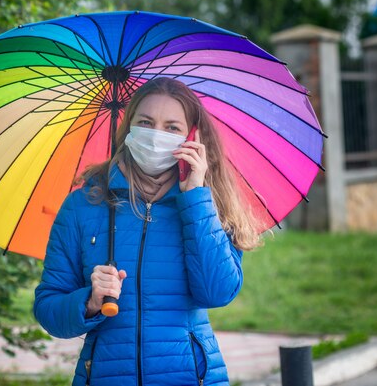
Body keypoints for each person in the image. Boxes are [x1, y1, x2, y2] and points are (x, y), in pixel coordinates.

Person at [34, 77, 261, 386]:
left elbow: (218, 292)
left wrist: (194, 197)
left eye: (172, 127)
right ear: (129, 128)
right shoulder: (83, 204)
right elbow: (48, 309)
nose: (156, 135)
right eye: (145, 122)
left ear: (192, 136)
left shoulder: (207, 204)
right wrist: (88, 301)